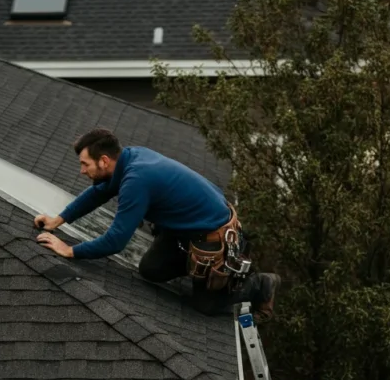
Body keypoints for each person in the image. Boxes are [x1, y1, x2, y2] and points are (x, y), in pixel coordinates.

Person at [34, 129, 280, 320]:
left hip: (212, 236)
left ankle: (260, 283)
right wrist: (59, 219)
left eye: (85, 164)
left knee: (206, 306)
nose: (81, 171)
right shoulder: (129, 158)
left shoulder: (136, 180)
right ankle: (195, 269)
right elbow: (98, 192)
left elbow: (116, 240)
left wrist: (70, 250)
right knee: (151, 269)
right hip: (185, 228)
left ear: (104, 161)